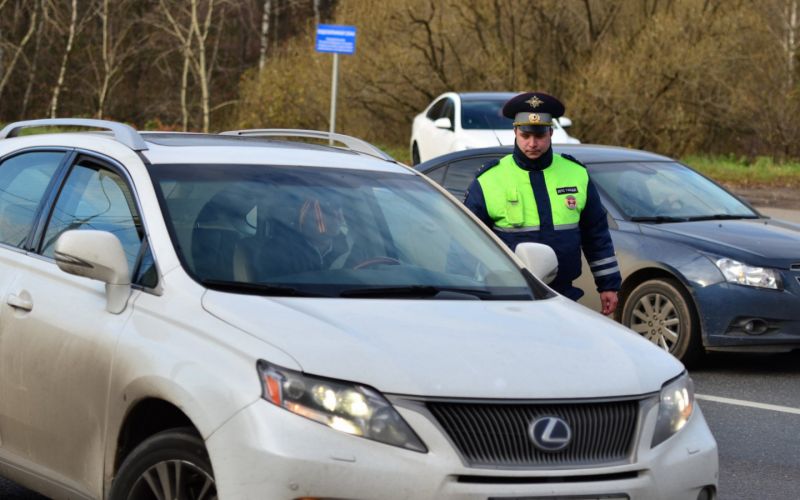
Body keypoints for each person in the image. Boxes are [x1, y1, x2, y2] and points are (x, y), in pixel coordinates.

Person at [463, 91, 621, 314]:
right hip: (508, 297)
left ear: (551, 132)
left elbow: (596, 234)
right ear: (515, 132)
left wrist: (609, 285)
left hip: (563, 296)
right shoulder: (490, 179)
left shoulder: (575, 173)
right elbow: (466, 241)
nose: (532, 143)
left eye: (539, 136)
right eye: (525, 135)